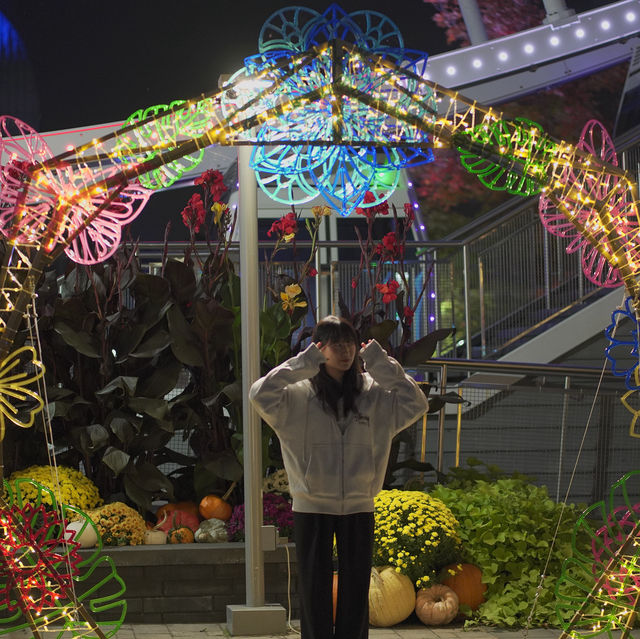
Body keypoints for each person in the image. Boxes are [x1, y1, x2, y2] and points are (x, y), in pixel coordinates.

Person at [249, 315, 429, 639]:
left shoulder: (374, 394)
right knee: (314, 593)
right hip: (311, 506)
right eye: (335, 343)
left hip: (359, 506)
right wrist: (302, 364)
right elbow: (259, 394)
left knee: (356, 593)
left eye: (348, 342)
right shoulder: (297, 395)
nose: (344, 350)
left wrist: (380, 363)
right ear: (320, 349)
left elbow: (417, 402)